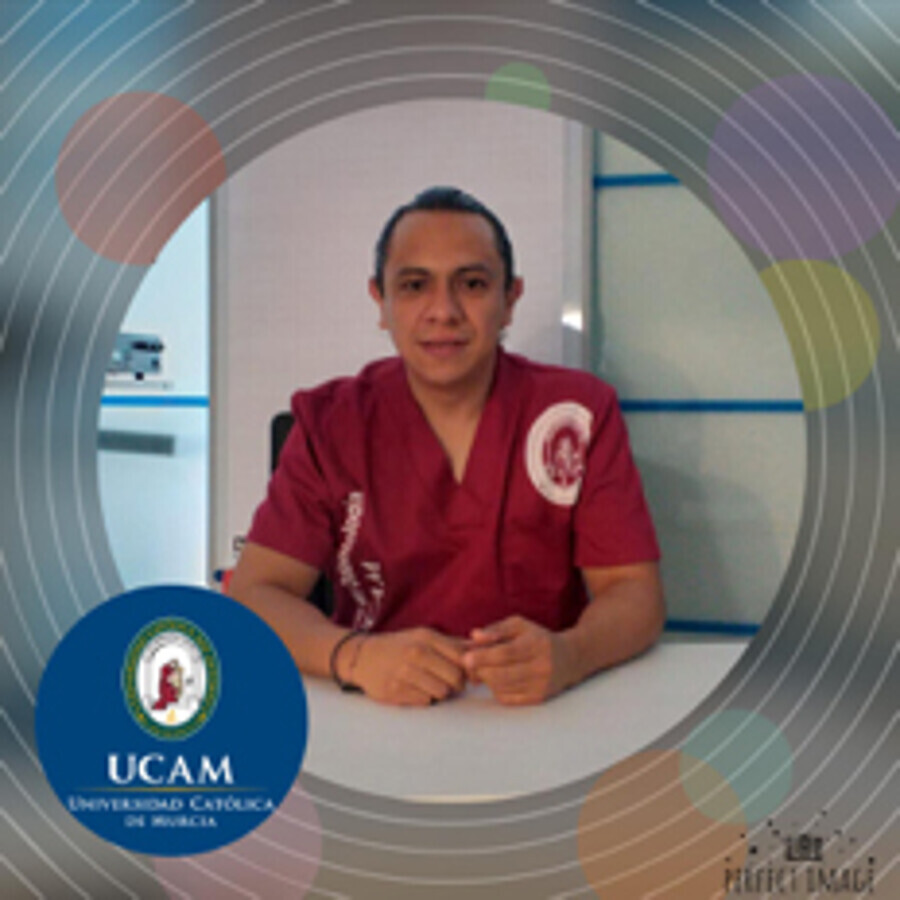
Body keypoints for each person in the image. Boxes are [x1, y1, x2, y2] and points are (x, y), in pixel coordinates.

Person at [228, 186, 664, 707]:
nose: (444, 311)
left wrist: (570, 655)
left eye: (473, 284)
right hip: (377, 706)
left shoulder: (576, 414)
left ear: (510, 300)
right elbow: (255, 594)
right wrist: (354, 657)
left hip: (536, 711)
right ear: (381, 302)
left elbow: (635, 593)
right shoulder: (332, 424)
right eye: (415, 286)